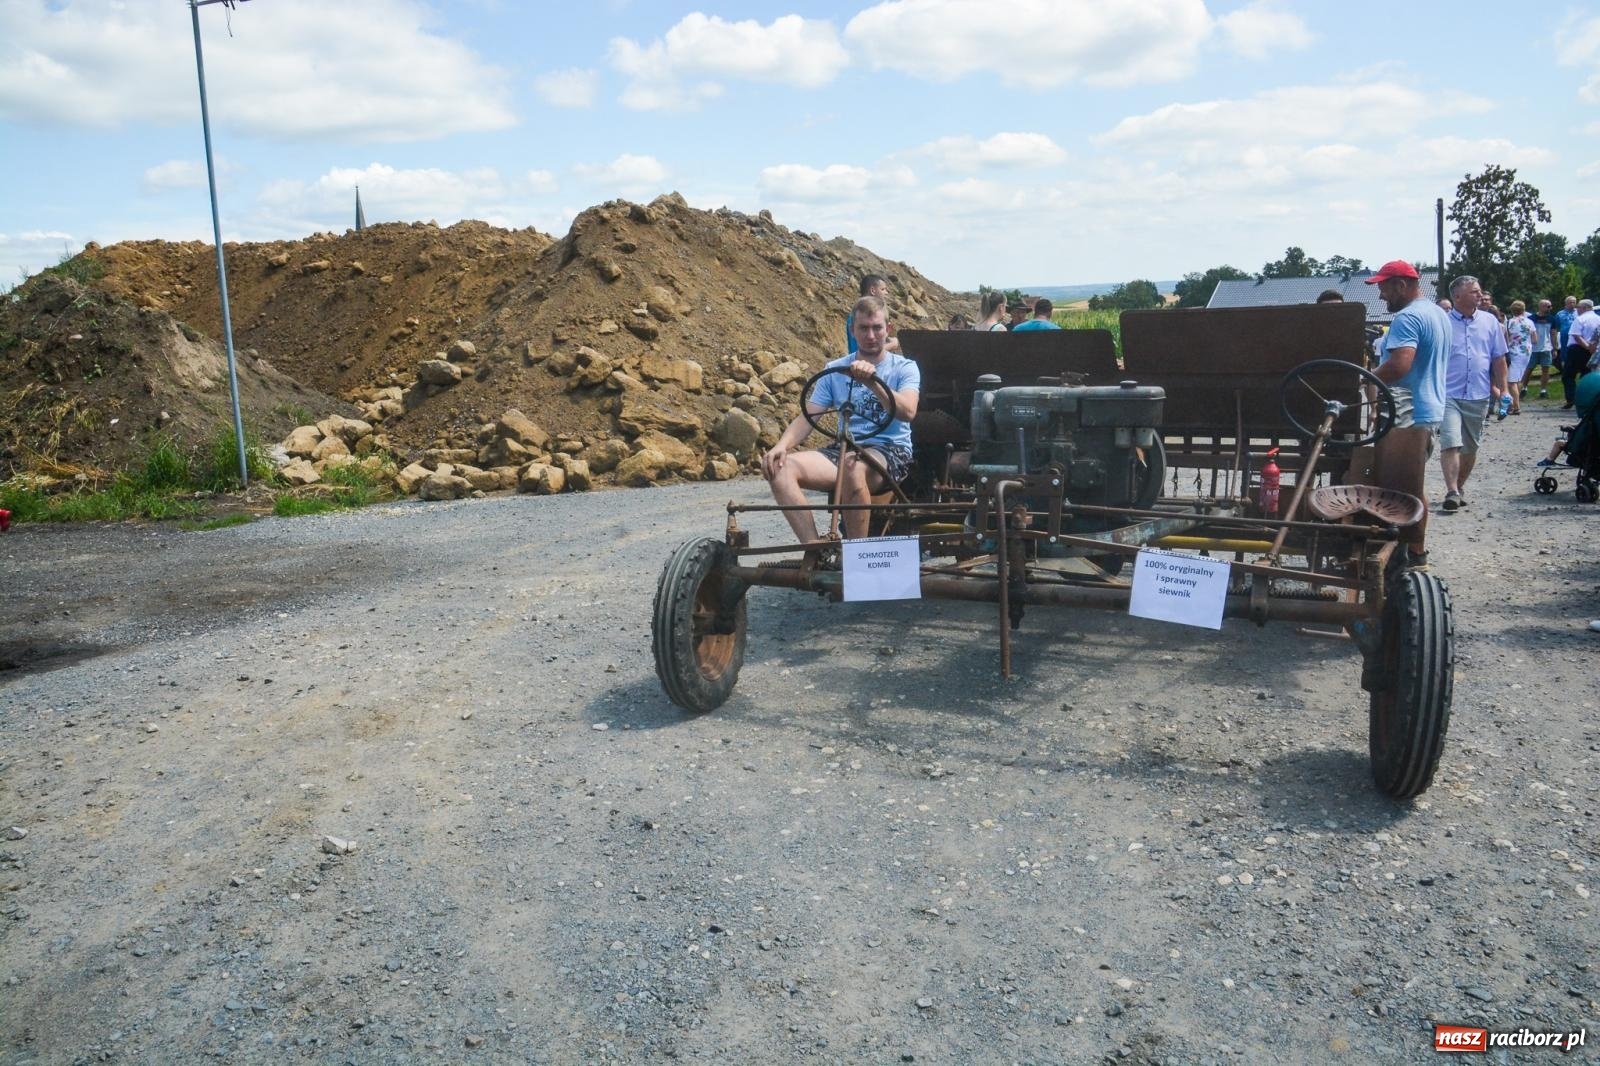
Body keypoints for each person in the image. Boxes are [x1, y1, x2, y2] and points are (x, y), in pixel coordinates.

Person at [764, 295, 920, 543]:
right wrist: (781, 446)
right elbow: (808, 416)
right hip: (845, 449)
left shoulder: (904, 368)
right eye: (864, 328)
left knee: (851, 465)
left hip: (891, 450)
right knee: (779, 468)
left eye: (877, 328)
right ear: (852, 330)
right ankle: (815, 549)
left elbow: (908, 411)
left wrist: (873, 384)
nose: (871, 335)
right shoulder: (835, 369)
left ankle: (856, 557)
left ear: (887, 329)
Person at [1365, 260, 1449, 568]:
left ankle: (1406, 556)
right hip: (1428, 407)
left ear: (1401, 285)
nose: (1381, 296)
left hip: (1407, 409)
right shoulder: (1437, 314)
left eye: (1384, 288)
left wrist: (1366, 378)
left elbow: (1401, 364)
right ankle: (1414, 551)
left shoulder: (1408, 318)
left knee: (1399, 487)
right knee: (1411, 484)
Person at [1438, 275, 1508, 512]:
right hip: (1448, 393)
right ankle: (1451, 490)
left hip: (1478, 394)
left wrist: (1504, 390)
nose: (1480, 295)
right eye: (1474, 292)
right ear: (1457, 296)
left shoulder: (1490, 322)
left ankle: (1459, 486)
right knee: (1451, 442)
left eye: (1479, 291)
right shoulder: (1443, 323)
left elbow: (1499, 359)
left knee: (1470, 447)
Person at [846, 275, 900, 355]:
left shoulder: (855, 317)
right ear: (873, 290)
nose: (886, 293)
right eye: (883, 289)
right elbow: (858, 353)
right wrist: (892, 345)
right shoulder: (854, 319)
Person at [1502, 300, 1534, 416]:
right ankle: (1516, 402)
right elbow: (1535, 339)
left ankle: (1516, 406)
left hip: (1514, 352)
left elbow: (1506, 337)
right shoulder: (1530, 322)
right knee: (1518, 379)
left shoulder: (1510, 322)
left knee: (1511, 381)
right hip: (1526, 352)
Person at [1527, 298, 1557, 399]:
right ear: (1541, 306)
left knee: (1546, 369)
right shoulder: (1531, 318)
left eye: (1550, 306)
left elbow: (1553, 334)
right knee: (1528, 369)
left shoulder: (1552, 319)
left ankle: (1543, 390)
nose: (1550, 308)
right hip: (1533, 348)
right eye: (1548, 306)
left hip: (1546, 347)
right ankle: (1524, 387)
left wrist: (1555, 348)